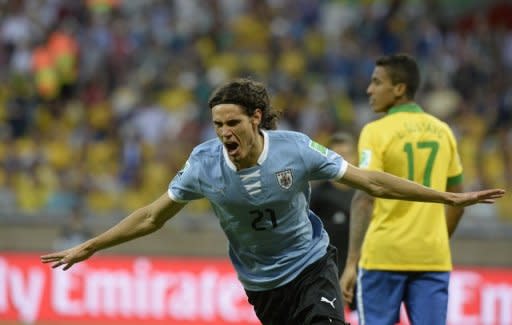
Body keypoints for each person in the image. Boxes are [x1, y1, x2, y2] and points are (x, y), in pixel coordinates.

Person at [41, 78, 504, 325]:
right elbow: (151, 216)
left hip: (310, 264)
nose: (224, 133)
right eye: (218, 124)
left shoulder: (296, 149)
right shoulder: (203, 164)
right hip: (262, 285)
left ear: (256, 118)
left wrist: (444, 195)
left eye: (233, 123)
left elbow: (371, 182)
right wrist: (91, 245)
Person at [340, 53, 476, 325]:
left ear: (399, 89)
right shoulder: (444, 131)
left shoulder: (376, 131)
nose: (369, 90)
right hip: (432, 259)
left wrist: (352, 261)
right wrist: (436, 238)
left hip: (383, 256)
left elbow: (364, 197)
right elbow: (458, 199)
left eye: (377, 82)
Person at [309, 132, 358, 311]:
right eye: (337, 156)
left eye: (346, 155)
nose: (342, 162)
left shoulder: (363, 196)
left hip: (361, 272)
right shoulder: (318, 195)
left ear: (355, 156)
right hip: (325, 273)